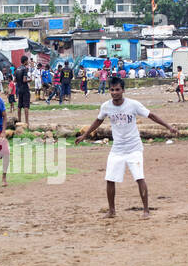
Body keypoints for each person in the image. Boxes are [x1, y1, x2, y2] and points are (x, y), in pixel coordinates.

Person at [74, 75, 178, 219]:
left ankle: (146, 210)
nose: (115, 92)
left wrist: (168, 126)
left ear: (123, 90)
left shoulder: (133, 104)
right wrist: (85, 135)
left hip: (134, 148)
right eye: (112, 90)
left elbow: (151, 115)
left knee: (139, 178)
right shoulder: (106, 106)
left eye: (117, 89)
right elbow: (98, 121)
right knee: (110, 179)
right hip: (117, 149)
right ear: (109, 90)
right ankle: (111, 211)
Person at [14, 55, 33, 127]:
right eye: (27, 60)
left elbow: (14, 80)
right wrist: (30, 80)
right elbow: (24, 80)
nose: (28, 62)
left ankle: (19, 121)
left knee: (19, 105)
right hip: (25, 89)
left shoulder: (17, 69)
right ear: (25, 61)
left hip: (19, 89)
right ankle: (27, 122)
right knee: (26, 105)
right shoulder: (25, 69)